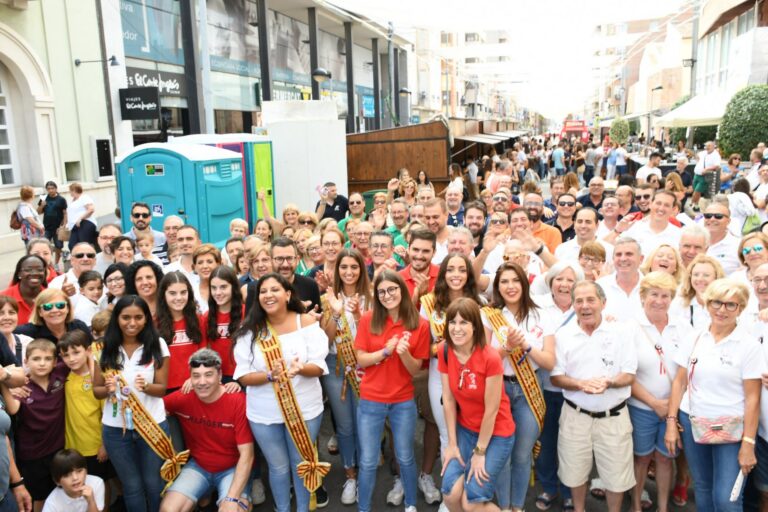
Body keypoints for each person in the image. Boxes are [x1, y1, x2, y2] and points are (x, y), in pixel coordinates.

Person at [665, 279, 764, 512]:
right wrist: (671, 422)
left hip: (732, 429)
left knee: (726, 500)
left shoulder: (748, 345)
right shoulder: (695, 337)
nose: (722, 310)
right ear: (708, 305)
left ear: (740, 309)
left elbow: (753, 398)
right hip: (693, 424)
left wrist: (748, 443)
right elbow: (679, 382)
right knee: (703, 488)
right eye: (717, 303)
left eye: (731, 305)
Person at [233, 273, 329, 512]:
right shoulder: (249, 331)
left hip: (304, 410)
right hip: (264, 413)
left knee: (301, 464)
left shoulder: (305, 323)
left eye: (274, 290)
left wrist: (301, 369)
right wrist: (270, 376)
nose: (268, 295)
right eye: (263, 291)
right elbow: (243, 375)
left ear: (287, 294)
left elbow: (319, 367)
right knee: (277, 467)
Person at [550, 281, 638, 512]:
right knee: (574, 473)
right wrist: (580, 384)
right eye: (579, 301)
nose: (585, 306)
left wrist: (609, 383)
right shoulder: (563, 335)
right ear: (573, 305)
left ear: (603, 303)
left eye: (591, 300)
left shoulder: (621, 332)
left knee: (616, 477)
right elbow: (556, 377)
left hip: (614, 417)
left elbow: (629, 374)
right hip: (575, 416)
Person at [354, 270, 430, 512]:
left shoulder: (420, 324)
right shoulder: (368, 319)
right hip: (371, 399)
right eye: (382, 292)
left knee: (405, 456)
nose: (387, 295)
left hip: (402, 400)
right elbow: (361, 360)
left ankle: (410, 505)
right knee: (367, 461)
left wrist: (404, 353)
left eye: (392, 289)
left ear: (403, 290)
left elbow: (415, 368)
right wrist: (384, 353)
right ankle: (363, 507)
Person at [483, 262, 551, 512]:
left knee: (522, 455)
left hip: (528, 389)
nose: (510, 286)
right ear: (497, 287)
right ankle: (502, 508)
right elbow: (485, 361)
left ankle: (517, 507)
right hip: (499, 389)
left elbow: (550, 361)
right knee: (502, 454)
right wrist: (508, 348)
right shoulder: (488, 314)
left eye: (515, 280)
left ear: (524, 283)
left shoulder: (541, 313)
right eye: (504, 282)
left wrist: (528, 347)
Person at [92, 295, 170, 512]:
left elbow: (162, 388)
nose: (132, 323)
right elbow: (97, 391)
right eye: (126, 317)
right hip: (116, 429)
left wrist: (147, 387)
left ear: (147, 319)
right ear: (117, 318)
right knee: (132, 487)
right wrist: (106, 390)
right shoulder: (103, 348)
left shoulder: (158, 344)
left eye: (138, 317)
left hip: (152, 425)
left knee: (154, 484)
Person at [439, 298, 516, 512]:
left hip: (496, 433)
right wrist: (452, 444)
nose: (456, 328)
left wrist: (479, 453)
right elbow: (448, 398)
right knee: (450, 494)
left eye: (464, 322)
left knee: (471, 503)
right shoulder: (444, 350)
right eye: (452, 322)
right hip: (465, 431)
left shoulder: (490, 357)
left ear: (475, 326)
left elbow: (491, 411)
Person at [160, 349, 254, 512]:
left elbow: (247, 454)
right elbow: (152, 410)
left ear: (220, 375)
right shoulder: (183, 397)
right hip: (199, 466)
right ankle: (205, 493)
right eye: (196, 375)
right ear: (190, 377)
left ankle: (239, 498)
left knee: (234, 510)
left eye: (208, 374)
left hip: (232, 468)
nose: (202, 381)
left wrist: (232, 498)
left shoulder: (237, 401)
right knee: (168, 509)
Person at [628, 272, 691, 512]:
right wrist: (654, 403)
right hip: (641, 407)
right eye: (654, 294)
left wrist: (670, 407)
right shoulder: (630, 327)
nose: (659, 300)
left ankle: (662, 508)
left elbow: (686, 372)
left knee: (666, 458)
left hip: (673, 408)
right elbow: (626, 374)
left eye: (665, 295)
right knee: (641, 458)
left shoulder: (682, 327)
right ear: (643, 296)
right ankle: (635, 506)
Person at [319, 249, 372, 505]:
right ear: (336, 270)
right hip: (336, 366)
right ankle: (350, 473)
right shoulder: (327, 298)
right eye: (344, 267)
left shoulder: (371, 299)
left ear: (362, 269)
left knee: (364, 423)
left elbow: (373, 337)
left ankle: (366, 474)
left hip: (364, 368)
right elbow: (325, 340)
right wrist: (337, 313)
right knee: (345, 426)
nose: (349, 272)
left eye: (354, 266)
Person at [535, 262, 584, 511]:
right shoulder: (538, 305)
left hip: (574, 389)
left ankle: (568, 490)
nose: (564, 284)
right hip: (544, 387)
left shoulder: (584, 307)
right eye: (559, 279)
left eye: (570, 280)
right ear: (550, 281)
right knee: (547, 440)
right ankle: (549, 487)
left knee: (571, 444)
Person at [1, 339, 68, 510]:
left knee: (62, 493)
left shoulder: (60, 375)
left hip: (58, 449)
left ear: (55, 362)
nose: (42, 363)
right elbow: (13, 409)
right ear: (26, 362)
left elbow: (82, 355)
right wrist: (5, 385)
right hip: (33, 455)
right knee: (38, 499)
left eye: (47, 359)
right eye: (36, 359)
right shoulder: (22, 386)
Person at [58, 331, 114, 487]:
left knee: (101, 484)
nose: (71, 358)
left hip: (96, 445)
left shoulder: (98, 379)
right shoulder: (65, 376)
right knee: (84, 484)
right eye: (66, 355)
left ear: (88, 351)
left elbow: (107, 413)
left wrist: (105, 444)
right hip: (73, 446)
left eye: (76, 352)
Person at [155, 272, 203, 392]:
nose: (179, 298)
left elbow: (203, 355)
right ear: (163, 295)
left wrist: (194, 378)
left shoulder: (199, 320)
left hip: (194, 386)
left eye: (183, 292)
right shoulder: (154, 323)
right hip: (166, 389)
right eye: (172, 293)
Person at [245, 238, 321, 314]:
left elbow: (318, 319)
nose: (285, 264)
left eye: (289, 258)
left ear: (297, 260)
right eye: (279, 259)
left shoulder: (310, 285)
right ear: (271, 261)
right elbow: (250, 323)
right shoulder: (256, 288)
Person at [203, 266, 244, 383]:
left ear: (234, 288)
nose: (218, 293)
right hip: (216, 378)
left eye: (223, 287)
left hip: (242, 376)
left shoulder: (246, 313)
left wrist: (238, 382)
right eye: (214, 288)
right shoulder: (206, 317)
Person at [15, 289, 91, 345]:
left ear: (68, 308)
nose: (54, 310)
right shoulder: (27, 332)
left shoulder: (79, 327)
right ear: (40, 312)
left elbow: (92, 353)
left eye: (60, 305)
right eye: (48, 307)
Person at [596, 237, 643, 319]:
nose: (623, 259)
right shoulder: (599, 286)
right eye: (618, 254)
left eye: (629, 254)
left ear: (641, 259)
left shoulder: (653, 287)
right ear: (613, 259)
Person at [1, 255, 47, 325]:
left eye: (40, 270)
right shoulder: (3, 297)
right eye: (28, 270)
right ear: (19, 273)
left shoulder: (51, 297)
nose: (34, 273)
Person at [49, 242, 100, 306]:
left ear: (95, 261)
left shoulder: (103, 283)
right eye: (80, 256)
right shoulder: (57, 283)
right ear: (72, 261)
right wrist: (62, 295)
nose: (85, 259)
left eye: (90, 255)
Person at [704, 201, 742, 275]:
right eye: (708, 215)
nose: (712, 219)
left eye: (718, 216)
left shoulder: (738, 245)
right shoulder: (694, 241)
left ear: (728, 221)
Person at [37, 181, 68, 267]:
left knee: (58, 246)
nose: (50, 190)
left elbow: (65, 213)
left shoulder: (61, 199)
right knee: (44, 245)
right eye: (48, 189)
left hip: (58, 227)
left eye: (52, 188)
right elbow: (38, 212)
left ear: (56, 189)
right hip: (47, 227)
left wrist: (63, 226)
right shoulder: (43, 198)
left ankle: (56, 264)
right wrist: (42, 205)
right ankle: (48, 263)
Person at [690, 141, 722, 212]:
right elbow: (697, 156)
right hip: (696, 175)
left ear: (713, 146)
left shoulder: (716, 155)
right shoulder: (703, 153)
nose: (707, 147)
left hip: (704, 176)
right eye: (706, 146)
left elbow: (717, 166)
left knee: (697, 191)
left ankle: (691, 204)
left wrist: (707, 169)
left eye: (709, 146)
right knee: (695, 191)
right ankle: (696, 205)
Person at [65, 183, 97, 251]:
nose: (69, 192)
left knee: (84, 245)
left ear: (74, 190)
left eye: (70, 190)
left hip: (85, 223)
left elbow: (91, 209)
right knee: (72, 245)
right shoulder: (74, 200)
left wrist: (80, 218)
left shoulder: (84, 197)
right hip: (75, 226)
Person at [191, 244, 221, 313]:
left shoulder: (228, 288)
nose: (205, 266)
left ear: (218, 264)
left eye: (209, 262)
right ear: (194, 267)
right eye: (200, 263)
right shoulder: (190, 290)